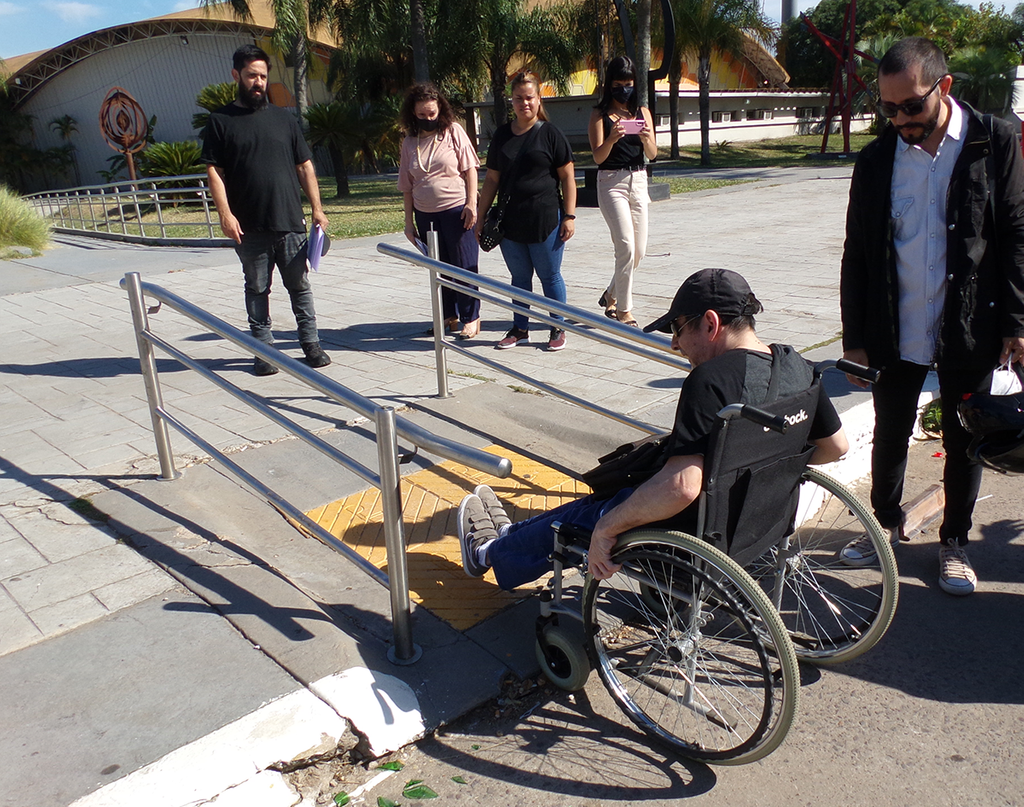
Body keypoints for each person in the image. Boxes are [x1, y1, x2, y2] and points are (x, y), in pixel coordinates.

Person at [457, 268, 849, 586]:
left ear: (710, 324)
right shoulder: (798, 367)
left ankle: (487, 553)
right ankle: (508, 538)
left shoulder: (711, 381)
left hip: (696, 528)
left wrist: (609, 528)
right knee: (602, 498)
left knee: (589, 518)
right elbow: (836, 446)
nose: (675, 344)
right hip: (757, 521)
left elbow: (682, 487)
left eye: (678, 330)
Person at [839, 37, 1024, 596]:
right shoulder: (877, 160)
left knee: (966, 438)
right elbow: (858, 252)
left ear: (943, 88)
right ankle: (884, 523)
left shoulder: (995, 142)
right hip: (895, 325)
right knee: (890, 432)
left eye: (910, 106)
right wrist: (855, 338)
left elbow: (1017, 232)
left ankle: (955, 542)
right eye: (887, 108)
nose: (899, 120)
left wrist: (1017, 323)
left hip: (971, 320)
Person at [202, 44, 331, 376]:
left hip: (289, 222)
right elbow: (214, 172)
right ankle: (263, 351)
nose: (258, 82)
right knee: (257, 288)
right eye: (251, 76)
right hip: (248, 227)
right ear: (236, 76)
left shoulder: (283, 119)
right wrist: (225, 215)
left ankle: (311, 344)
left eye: (262, 76)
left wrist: (317, 209)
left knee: (299, 286)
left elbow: (305, 166)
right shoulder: (220, 121)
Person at [475, 71, 577, 352]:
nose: (524, 103)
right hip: (511, 221)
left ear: (538, 98)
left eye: (529, 97)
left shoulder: (551, 133)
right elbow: (492, 179)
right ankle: (520, 328)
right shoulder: (502, 135)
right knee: (519, 278)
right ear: (512, 100)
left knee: (550, 276)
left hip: (545, 220)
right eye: (518, 98)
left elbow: (568, 177)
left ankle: (558, 326)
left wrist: (569, 216)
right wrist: (481, 217)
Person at [398, 83, 482, 340]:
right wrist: (409, 223)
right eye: (422, 115)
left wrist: (471, 203)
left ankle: (472, 317)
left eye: (432, 114)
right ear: (413, 114)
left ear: (440, 110)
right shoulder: (409, 142)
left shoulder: (453, 132)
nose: (428, 119)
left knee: (463, 265)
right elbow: (407, 186)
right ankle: (449, 316)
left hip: (456, 210)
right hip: (426, 215)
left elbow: (470, 170)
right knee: (440, 267)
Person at [588, 56, 658, 327]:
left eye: (628, 84)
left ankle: (611, 293)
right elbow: (597, 157)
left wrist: (645, 136)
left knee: (639, 251)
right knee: (626, 246)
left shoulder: (642, 111)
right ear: (610, 84)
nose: (624, 89)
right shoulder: (599, 114)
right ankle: (624, 310)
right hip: (611, 181)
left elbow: (653, 153)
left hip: (639, 179)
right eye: (618, 84)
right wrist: (613, 137)